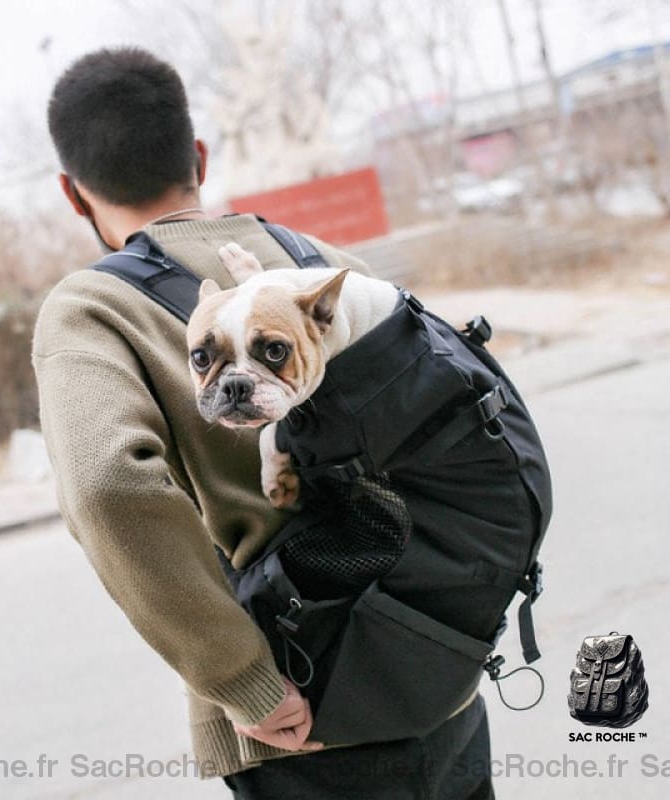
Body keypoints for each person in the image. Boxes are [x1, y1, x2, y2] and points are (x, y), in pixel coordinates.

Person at [34, 46, 495, 799]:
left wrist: (240, 679)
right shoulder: (320, 264)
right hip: (436, 667)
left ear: (72, 193)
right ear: (200, 157)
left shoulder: (92, 311)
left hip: (301, 712)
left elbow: (108, 482)